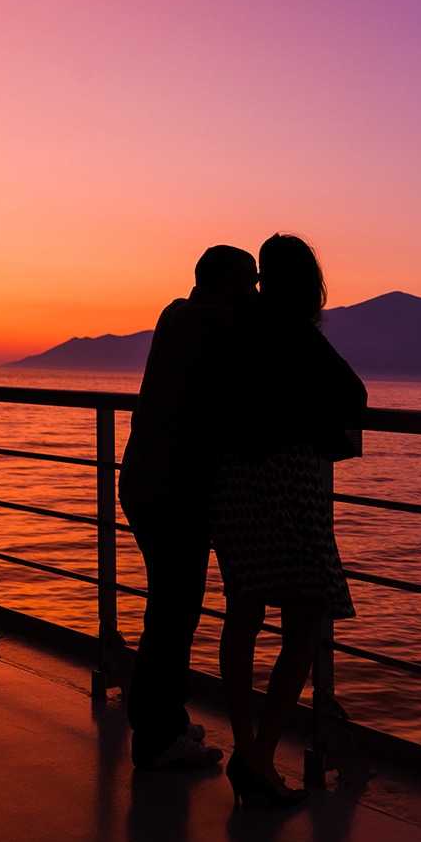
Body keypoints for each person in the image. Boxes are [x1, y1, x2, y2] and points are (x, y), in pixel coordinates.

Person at [212, 234, 367, 809]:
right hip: (286, 486)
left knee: (244, 614)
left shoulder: (239, 329)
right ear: (310, 285)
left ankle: (247, 744)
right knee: (305, 621)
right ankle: (259, 756)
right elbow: (353, 394)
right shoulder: (299, 336)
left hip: (232, 486)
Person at [120, 245, 257, 769]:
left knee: (170, 608)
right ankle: (156, 737)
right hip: (175, 493)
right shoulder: (218, 323)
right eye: (250, 280)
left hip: (145, 483)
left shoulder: (175, 313)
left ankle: (166, 721)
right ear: (224, 280)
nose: (255, 291)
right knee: (174, 613)